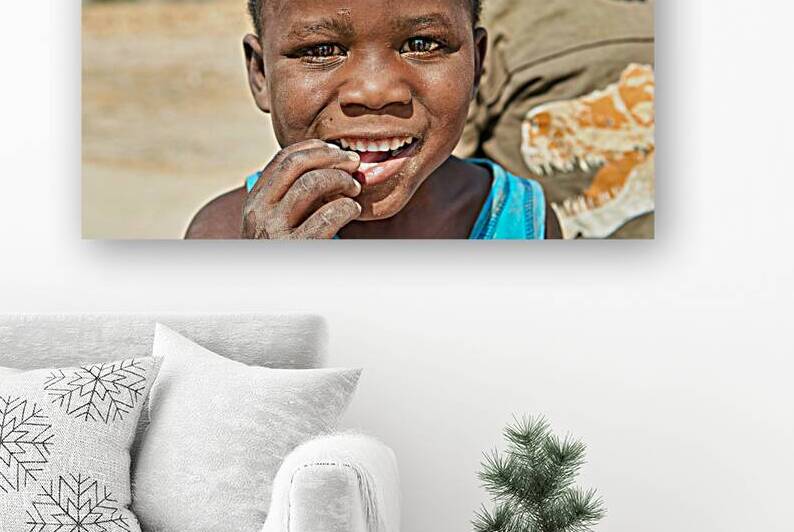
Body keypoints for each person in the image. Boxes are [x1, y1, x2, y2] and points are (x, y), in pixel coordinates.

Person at [185, 0, 561, 239]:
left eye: (421, 44)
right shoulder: (224, 238)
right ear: (261, 73)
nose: (375, 92)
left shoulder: (525, 223)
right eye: (322, 50)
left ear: (477, 65)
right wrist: (268, 287)